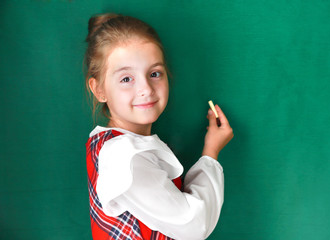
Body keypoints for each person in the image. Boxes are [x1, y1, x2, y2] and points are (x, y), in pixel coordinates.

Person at [84, 13, 234, 240]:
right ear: (99, 90)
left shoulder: (121, 146)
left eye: (154, 74)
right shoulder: (123, 156)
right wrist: (211, 153)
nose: (146, 88)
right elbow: (194, 225)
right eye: (126, 79)